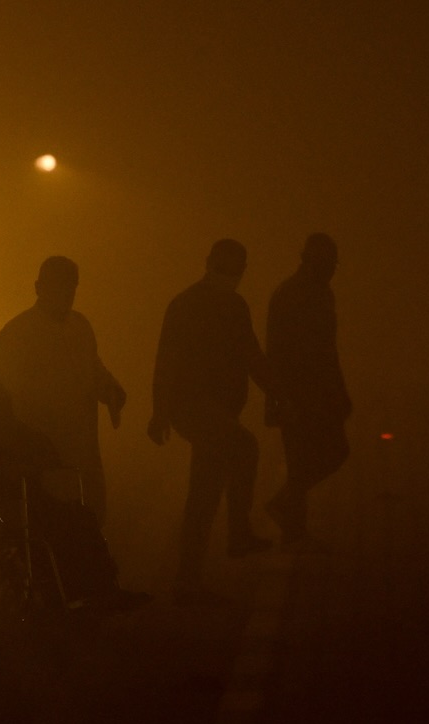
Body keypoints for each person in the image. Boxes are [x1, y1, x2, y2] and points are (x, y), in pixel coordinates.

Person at [0, 383, 149, 612]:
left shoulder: (1, 428)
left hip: (21, 502)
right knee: (50, 524)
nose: (5, 418)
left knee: (81, 516)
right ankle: (69, 594)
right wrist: (14, 469)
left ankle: (102, 588)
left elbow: (40, 446)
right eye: (1, 412)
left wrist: (32, 461)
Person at [149, 238, 273, 604]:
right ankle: (238, 534)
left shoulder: (230, 306)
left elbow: (251, 356)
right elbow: (167, 361)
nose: (229, 275)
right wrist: (160, 411)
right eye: (225, 268)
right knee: (244, 448)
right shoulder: (189, 305)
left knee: (203, 493)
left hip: (214, 411)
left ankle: (187, 579)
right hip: (193, 407)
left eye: (234, 270)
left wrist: (278, 392)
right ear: (210, 263)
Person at [0, 256, 126, 525]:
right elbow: (2, 399)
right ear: (39, 287)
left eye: (70, 287)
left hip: (82, 453)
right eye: (58, 286)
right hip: (40, 454)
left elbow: (93, 368)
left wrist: (111, 390)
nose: (65, 293)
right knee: (48, 525)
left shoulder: (81, 327)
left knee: (87, 522)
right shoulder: (16, 334)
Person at [264, 233, 352, 545]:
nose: (332, 271)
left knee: (311, 458)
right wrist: (281, 397)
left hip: (311, 392)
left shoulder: (314, 292)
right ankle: (292, 525)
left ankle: (289, 518)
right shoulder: (296, 294)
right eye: (329, 264)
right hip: (300, 393)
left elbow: (327, 350)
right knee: (314, 456)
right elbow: (285, 351)